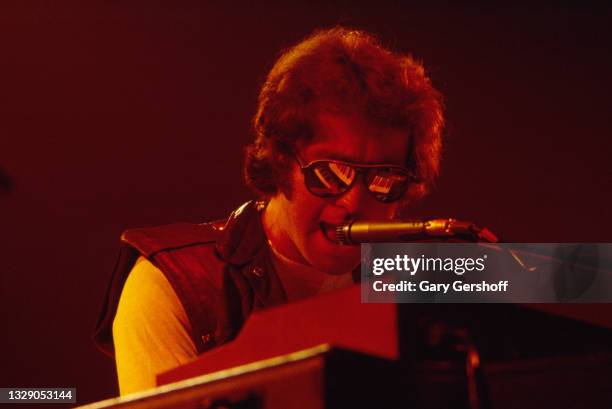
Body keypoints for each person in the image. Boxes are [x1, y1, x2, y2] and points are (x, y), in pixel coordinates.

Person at [94, 26, 444, 395]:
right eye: (329, 173)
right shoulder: (171, 284)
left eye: (383, 179)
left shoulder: (413, 281)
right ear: (280, 163)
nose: (354, 203)